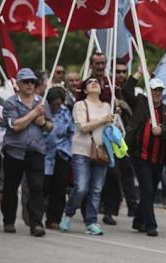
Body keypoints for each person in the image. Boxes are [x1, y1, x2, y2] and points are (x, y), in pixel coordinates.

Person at [123, 69, 166, 237]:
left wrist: (161, 131)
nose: (157, 94)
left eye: (160, 90)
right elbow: (125, 90)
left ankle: (138, 220)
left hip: (158, 158)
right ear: (148, 91)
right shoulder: (140, 103)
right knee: (147, 189)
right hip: (141, 156)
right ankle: (150, 224)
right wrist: (138, 73)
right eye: (154, 90)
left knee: (151, 191)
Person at [0, 68, 53, 237]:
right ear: (18, 83)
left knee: (36, 187)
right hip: (14, 151)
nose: (30, 85)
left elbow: (51, 127)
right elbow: (15, 125)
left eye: (33, 82)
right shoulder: (10, 103)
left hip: (36, 150)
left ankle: (36, 223)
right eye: (26, 82)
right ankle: (8, 220)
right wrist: (33, 114)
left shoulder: (42, 102)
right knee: (10, 187)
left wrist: (44, 122)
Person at [59, 77, 112, 236]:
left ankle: (91, 221)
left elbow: (110, 130)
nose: (94, 83)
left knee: (96, 189)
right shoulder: (80, 105)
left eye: (97, 82)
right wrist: (103, 119)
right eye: (90, 82)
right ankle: (68, 213)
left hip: (101, 151)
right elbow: (82, 127)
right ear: (84, 89)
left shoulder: (108, 106)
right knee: (81, 187)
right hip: (81, 150)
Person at [101, 60, 138, 225]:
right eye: (118, 72)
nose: (121, 75)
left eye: (124, 72)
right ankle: (109, 210)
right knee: (112, 175)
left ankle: (132, 205)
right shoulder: (105, 89)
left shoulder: (128, 93)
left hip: (124, 139)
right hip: (107, 139)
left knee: (127, 172)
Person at [43, 87, 74, 230]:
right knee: (43, 187)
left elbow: (71, 132)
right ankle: (36, 214)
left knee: (59, 188)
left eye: (59, 103)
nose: (56, 106)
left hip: (61, 153)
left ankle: (54, 218)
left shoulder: (65, 112)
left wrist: (68, 150)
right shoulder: (41, 111)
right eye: (53, 104)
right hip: (44, 154)